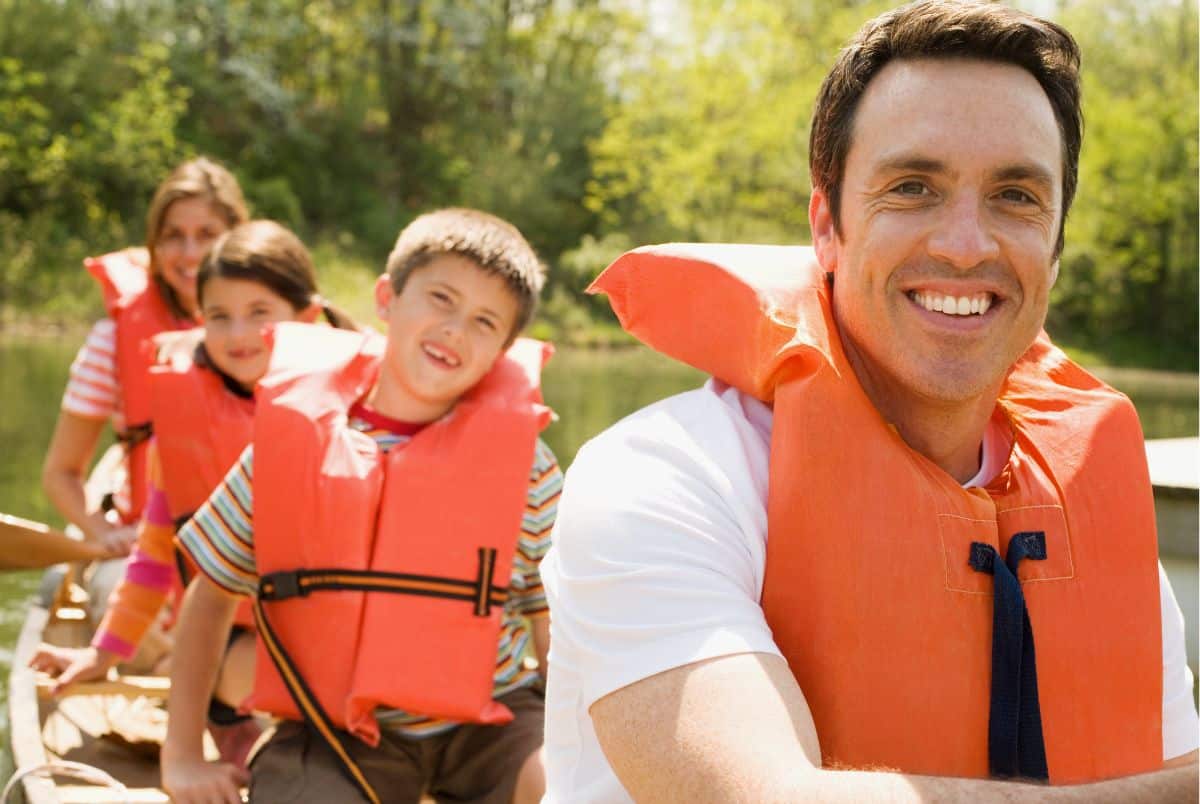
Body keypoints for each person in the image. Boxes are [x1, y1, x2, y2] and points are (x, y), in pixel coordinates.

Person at [540, 2, 1199, 801]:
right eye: (913, 187)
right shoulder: (662, 480)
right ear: (827, 223)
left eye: (1016, 196)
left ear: (1056, 247)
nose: (965, 243)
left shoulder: (1097, 528)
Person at [161, 208, 563, 804]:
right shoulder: (288, 446)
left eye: (484, 321)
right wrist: (182, 757)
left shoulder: (529, 468)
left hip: (494, 723)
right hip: (331, 730)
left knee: (575, 786)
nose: (455, 329)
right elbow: (211, 595)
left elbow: (555, 626)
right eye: (441, 299)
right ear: (387, 298)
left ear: (504, 349)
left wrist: (580, 746)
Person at [28, 220, 359, 768]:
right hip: (230, 646)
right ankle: (229, 720)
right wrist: (103, 651)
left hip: (334, 643)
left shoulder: (359, 415)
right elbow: (157, 554)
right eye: (219, 316)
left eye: (260, 313)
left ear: (306, 316)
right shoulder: (185, 429)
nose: (237, 335)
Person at [42, 157, 249, 557]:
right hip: (148, 546)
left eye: (207, 234)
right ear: (154, 243)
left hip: (244, 550)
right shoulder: (113, 341)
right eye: (174, 235)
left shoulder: (267, 337)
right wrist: (100, 531)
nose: (190, 253)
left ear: (235, 238)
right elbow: (60, 473)